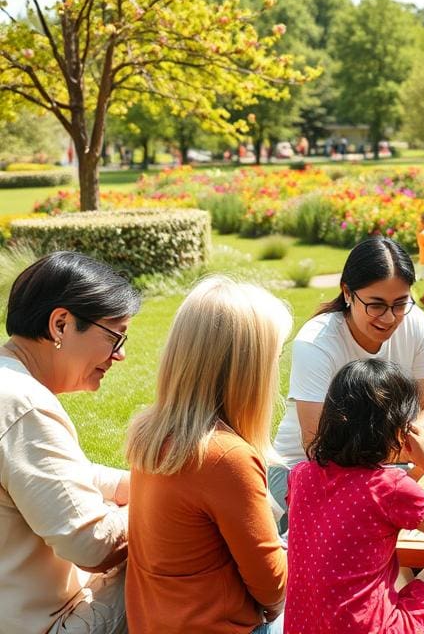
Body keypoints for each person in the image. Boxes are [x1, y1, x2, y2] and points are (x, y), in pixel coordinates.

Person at [124, 278, 290, 634]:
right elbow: (272, 589)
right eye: (273, 359)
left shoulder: (150, 433)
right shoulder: (224, 456)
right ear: (249, 370)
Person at [270, 238, 424, 526]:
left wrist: (418, 437)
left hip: (377, 466)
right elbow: (318, 445)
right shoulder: (316, 342)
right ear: (347, 292)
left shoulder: (415, 322)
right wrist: (415, 449)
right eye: (376, 305)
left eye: (400, 304)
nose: (389, 318)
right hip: (305, 472)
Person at [285, 358, 424, 634]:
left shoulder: (302, 475)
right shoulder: (388, 487)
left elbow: (359, 508)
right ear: (397, 427)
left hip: (305, 627)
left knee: (399, 569)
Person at [0, 251, 140, 634]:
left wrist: (136, 484)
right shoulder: (22, 404)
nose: (121, 354)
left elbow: (51, 475)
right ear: (61, 324)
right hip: (45, 625)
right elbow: (91, 546)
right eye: (114, 335)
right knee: (189, 542)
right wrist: (169, 501)